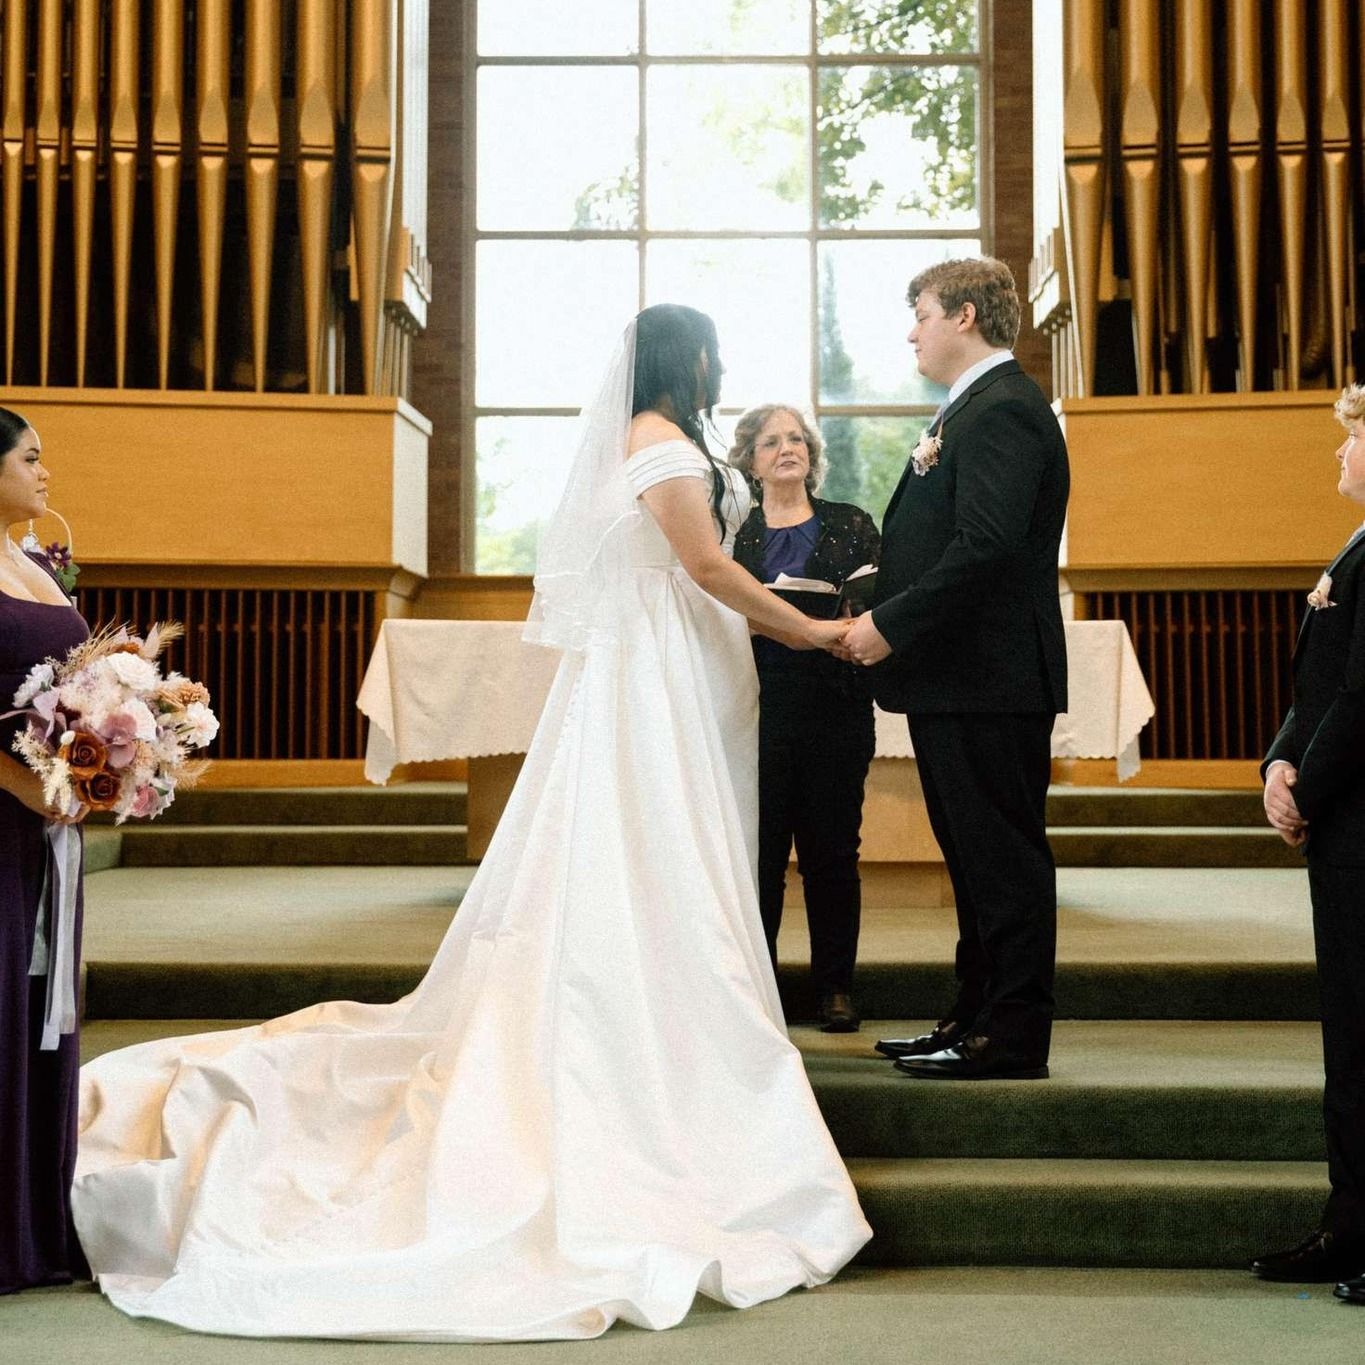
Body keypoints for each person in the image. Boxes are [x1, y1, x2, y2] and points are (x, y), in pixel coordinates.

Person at [71, 304, 871, 1341]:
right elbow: (708, 570)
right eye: (712, 347)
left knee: (662, 850)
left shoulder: (660, 441)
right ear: (688, 358)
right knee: (649, 842)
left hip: (670, 664)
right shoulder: (663, 444)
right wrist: (809, 631)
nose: (721, 362)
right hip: (656, 675)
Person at [841, 257, 1069, 1081]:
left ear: (965, 316)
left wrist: (889, 627)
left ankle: (1009, 1034)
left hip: (987, 675)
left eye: (922, 313)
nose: (912, 330)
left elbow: (987, 545)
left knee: (999, 859)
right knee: (972, 858)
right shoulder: (974, 406)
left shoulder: (1001, 409)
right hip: (962, 675)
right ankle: (969, 1017)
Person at [1254, 383, 1365, 1300]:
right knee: (1351, 1031)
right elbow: (1317, 687)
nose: (1337, 454)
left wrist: (1307, 786)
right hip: (1339, 814)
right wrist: (1279, 761)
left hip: (1360, 814)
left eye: (1350, 439)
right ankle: (1349, 1223)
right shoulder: (1355, 545)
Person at [729, 405, 881, 1032]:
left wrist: (810, 628)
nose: (786, 448)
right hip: (757, 709)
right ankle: (759, 987)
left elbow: (871, 603)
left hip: (836, 704)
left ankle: (835, 989)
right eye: (771, 441)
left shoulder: (850, 522)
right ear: (751, 459)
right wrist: (795, 625)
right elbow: (721, 610)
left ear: (812, 455)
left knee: (832, 853)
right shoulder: (735, 535)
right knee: (759, 856)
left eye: (796, 438)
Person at [0, 407, 92, 1295]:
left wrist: (118, 750)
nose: (44, 472)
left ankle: (35, 1224)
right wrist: (26, 780)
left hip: (43, 823)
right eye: (30, 458)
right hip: (5, 814)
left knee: (38, 1006)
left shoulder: (35, 561)